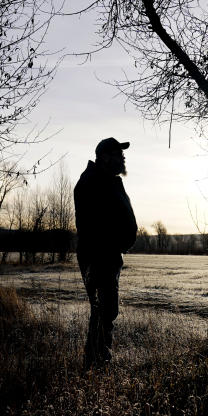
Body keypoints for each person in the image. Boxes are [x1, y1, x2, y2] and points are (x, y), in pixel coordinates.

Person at [73, 137, 137, 369]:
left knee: (105, 311)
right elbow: (92, 225)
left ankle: (97, 361)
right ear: (104, 157)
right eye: (118, 154)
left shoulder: (107, 180)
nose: (122, 158)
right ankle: (97, 364)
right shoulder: (92, 181)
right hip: (98, 257)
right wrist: (111, 246)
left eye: (122, 154)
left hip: (108, 256)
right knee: (103, 311)